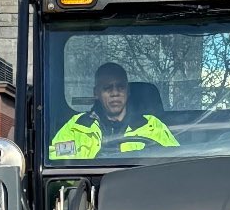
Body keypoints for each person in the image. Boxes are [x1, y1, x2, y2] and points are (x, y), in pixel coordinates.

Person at [49, 62, 178, 160]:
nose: (115, 93)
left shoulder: (152, 127)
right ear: (96, 93)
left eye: (120, 87)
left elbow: (176, 165)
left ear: (128, 91)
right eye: (107, 88)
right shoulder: (76, 128)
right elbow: (57, 168)